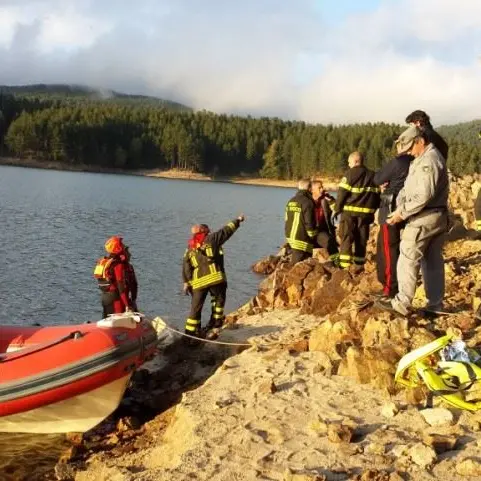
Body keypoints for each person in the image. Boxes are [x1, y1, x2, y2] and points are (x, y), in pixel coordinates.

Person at [375, 125, 449, 317]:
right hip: (435, 216)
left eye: (410, 148)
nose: (408, 152)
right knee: (432, 262)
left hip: (424, 218)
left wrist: (402, 213)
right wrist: (399, 208)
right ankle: (435, 306)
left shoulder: (429, 161)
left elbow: (423, 195)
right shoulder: (422, 159)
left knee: (408, 257)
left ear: (420, 141)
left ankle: (401, 304)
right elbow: (408, 190)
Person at [182, 215, 245, 338]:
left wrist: (187, 282)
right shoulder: (212, 239)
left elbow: (186, 266)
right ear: (204, 231)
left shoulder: (190, 247)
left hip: (198, 282)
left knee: (195, 308)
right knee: (218, 301)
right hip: (215, 278)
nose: (210, 231)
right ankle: (215, 325)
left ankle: (190, 334)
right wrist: (238, 220)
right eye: (208, 230)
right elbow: (227, 230)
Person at [373, 149, 413, 299]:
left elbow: (377, 178)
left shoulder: (399, 162)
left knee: (388, 251)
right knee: (394, 249)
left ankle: (390, 288)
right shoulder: (415, 161)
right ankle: (391, 284)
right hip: (407, 209)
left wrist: (387, 182)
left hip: (391, 211)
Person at [332, 152, 380, 271]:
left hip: (349, 213)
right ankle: (359, 266)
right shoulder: (373, 175)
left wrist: (336, 209)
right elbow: (377, 195)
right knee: (361, 240)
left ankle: (344, 267)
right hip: (365, 215)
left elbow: (342, 193)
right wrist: (372, 210)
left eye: (349, 162)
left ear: (355, 161)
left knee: (346, 238)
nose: (348, 165)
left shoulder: (350, 174)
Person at [94, 236, 137, 317]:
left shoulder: (104, 263)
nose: (124, 247)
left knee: (107, 321)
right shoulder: (118, 265)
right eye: (122, 245)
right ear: (118, 248)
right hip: (117, 300)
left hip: (105, 298)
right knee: (118, 324)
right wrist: (128, 305)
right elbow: (121, 287)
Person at [285, 179, 317, 265]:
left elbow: (286, 219)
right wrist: (313, 236)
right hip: (301, 238)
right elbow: (309, 223)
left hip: (290, 237)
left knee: (298, 263)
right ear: (309, 188)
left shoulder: (291, 201)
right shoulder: (308, 202)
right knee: (298, 264)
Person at [310, 180, 339, 265]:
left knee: (330, 242)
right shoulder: (307, 201)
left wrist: (331, 200)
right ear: (312, 190)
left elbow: (337, 209)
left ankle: (337, 263)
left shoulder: (326, 199)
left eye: (322, 187)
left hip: (321, 230)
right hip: (309, 231)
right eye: (319, 188)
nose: (322, 189)